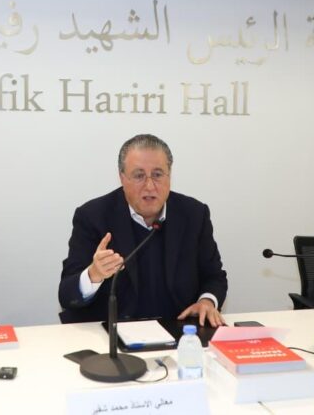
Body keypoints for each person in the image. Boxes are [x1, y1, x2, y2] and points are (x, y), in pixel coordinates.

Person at [58, 134, 228, 326]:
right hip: (111, 333)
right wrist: (94, 274)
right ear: (122, 178)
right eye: (139, 175)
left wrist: (206, 301)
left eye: (157, 174)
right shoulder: (93, 216)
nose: (149, 186)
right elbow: (66, 295)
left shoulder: (193, 214)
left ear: (169, 175)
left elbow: (214, 276)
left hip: (178, 330)